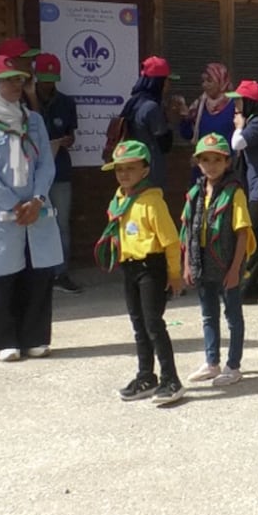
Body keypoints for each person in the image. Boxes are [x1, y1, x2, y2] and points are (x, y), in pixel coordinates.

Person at [0, 55, 62, 362]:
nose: (17, 85)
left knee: (39, 273)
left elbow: (46, 162)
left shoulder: (34, 120)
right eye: (9, 80)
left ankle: (35, 338)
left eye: (20, 80)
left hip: (37, 209)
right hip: (2, 213)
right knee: (2, 277)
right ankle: (3, 341)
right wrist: (15, 204)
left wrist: (37, 199)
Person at [96, 140, 184, 405]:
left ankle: (172, 380)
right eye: (119, 169)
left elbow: (170, 240)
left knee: (154, 324)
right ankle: (146, 377)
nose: (124, 174)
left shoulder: (152, 201)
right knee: (138, 325)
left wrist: (175, 273)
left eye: (130, 169)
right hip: (130, 267)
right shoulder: (120, 199)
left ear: (145, 170)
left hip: (151, 267)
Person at [181, 134, 254, 387]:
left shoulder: (235, 193)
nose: (211, 165)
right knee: (208, 315)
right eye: (205, 160)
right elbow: (187, 230)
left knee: (233, 315)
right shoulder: (195, 193)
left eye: (217, 160)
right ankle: (212, 362)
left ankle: (233, 365)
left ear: (227, 162)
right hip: (202, 263)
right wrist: (187, 263)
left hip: (227, 263)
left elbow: (242, 232)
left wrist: (235, 269)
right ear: (198, 162)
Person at [23, 53, 80, 294]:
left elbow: (71, 134)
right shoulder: (23, 102)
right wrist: (34, 98)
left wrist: (67, 140)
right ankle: (36, 275)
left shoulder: (66, 102)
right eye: (43, 79)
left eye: (51, 79)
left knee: (61, 224)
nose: (48, 84)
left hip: (60, 171)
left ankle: (60, 273)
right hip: (30, 175)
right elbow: (36, 131)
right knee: (33, 222)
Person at [227, 79, 258, 303]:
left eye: (239, 101)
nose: (236, 106)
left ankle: (250, 289)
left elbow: (237, 144)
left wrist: (239, 126)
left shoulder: (256, 122)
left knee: (254, 241)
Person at [119, 56, 177, 189]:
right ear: (159, 82)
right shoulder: (151, 108)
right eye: (167, 80)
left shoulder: (133, 103)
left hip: (134, 169)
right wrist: (171, 119)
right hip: (150, 174)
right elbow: (165, 145)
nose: (169, 85)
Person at [177, 62, 237, 181]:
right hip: (203, 167)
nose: (205, 85)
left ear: (221, 81)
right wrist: (185, 118)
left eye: (209, 81)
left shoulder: (235, 105)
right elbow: (188, 134)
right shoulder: (199, 104)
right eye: (203, 81)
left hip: (226, 166)